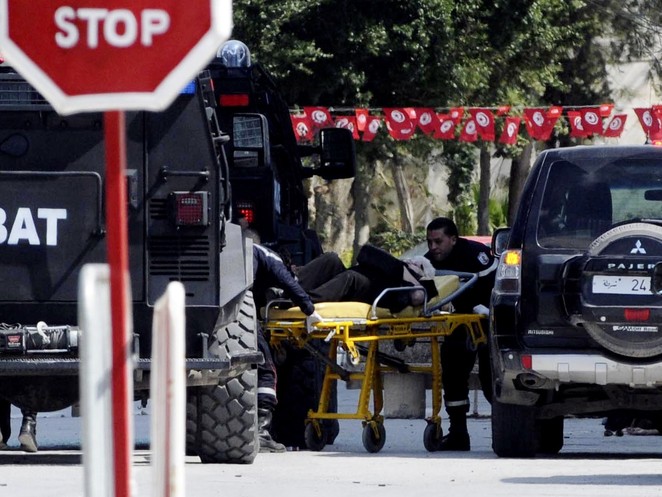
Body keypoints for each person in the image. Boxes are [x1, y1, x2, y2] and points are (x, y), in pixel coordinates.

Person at [423, 217, 496, 451]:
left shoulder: (476, 255)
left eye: (438, 241)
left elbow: (496, 286)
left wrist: (485, 310)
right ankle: (458, 434)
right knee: (452, 371)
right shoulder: (428, 262)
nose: (433, 247)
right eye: (429, 242)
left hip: (489, 321)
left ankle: (507, 429)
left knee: (492, 378)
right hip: (460, 321)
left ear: (453, 239)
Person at [249, 235, 322, 453]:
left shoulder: (228, 252)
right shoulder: (267, 254)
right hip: (238, 312)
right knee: (266, 371)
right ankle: (261, 434)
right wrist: (310, 310)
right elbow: (287, 281)